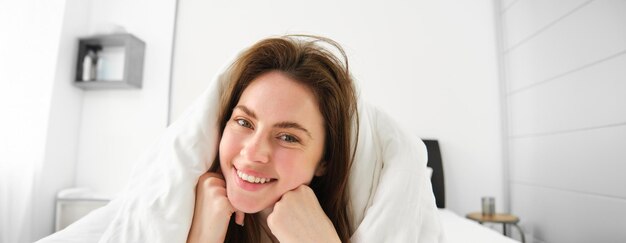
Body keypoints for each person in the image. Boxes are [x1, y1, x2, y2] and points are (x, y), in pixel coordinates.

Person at [186, 35, 359, 243]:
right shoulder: (185, 214)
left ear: (324, 161)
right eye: (244, 122)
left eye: (287, 137)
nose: (252, 152)